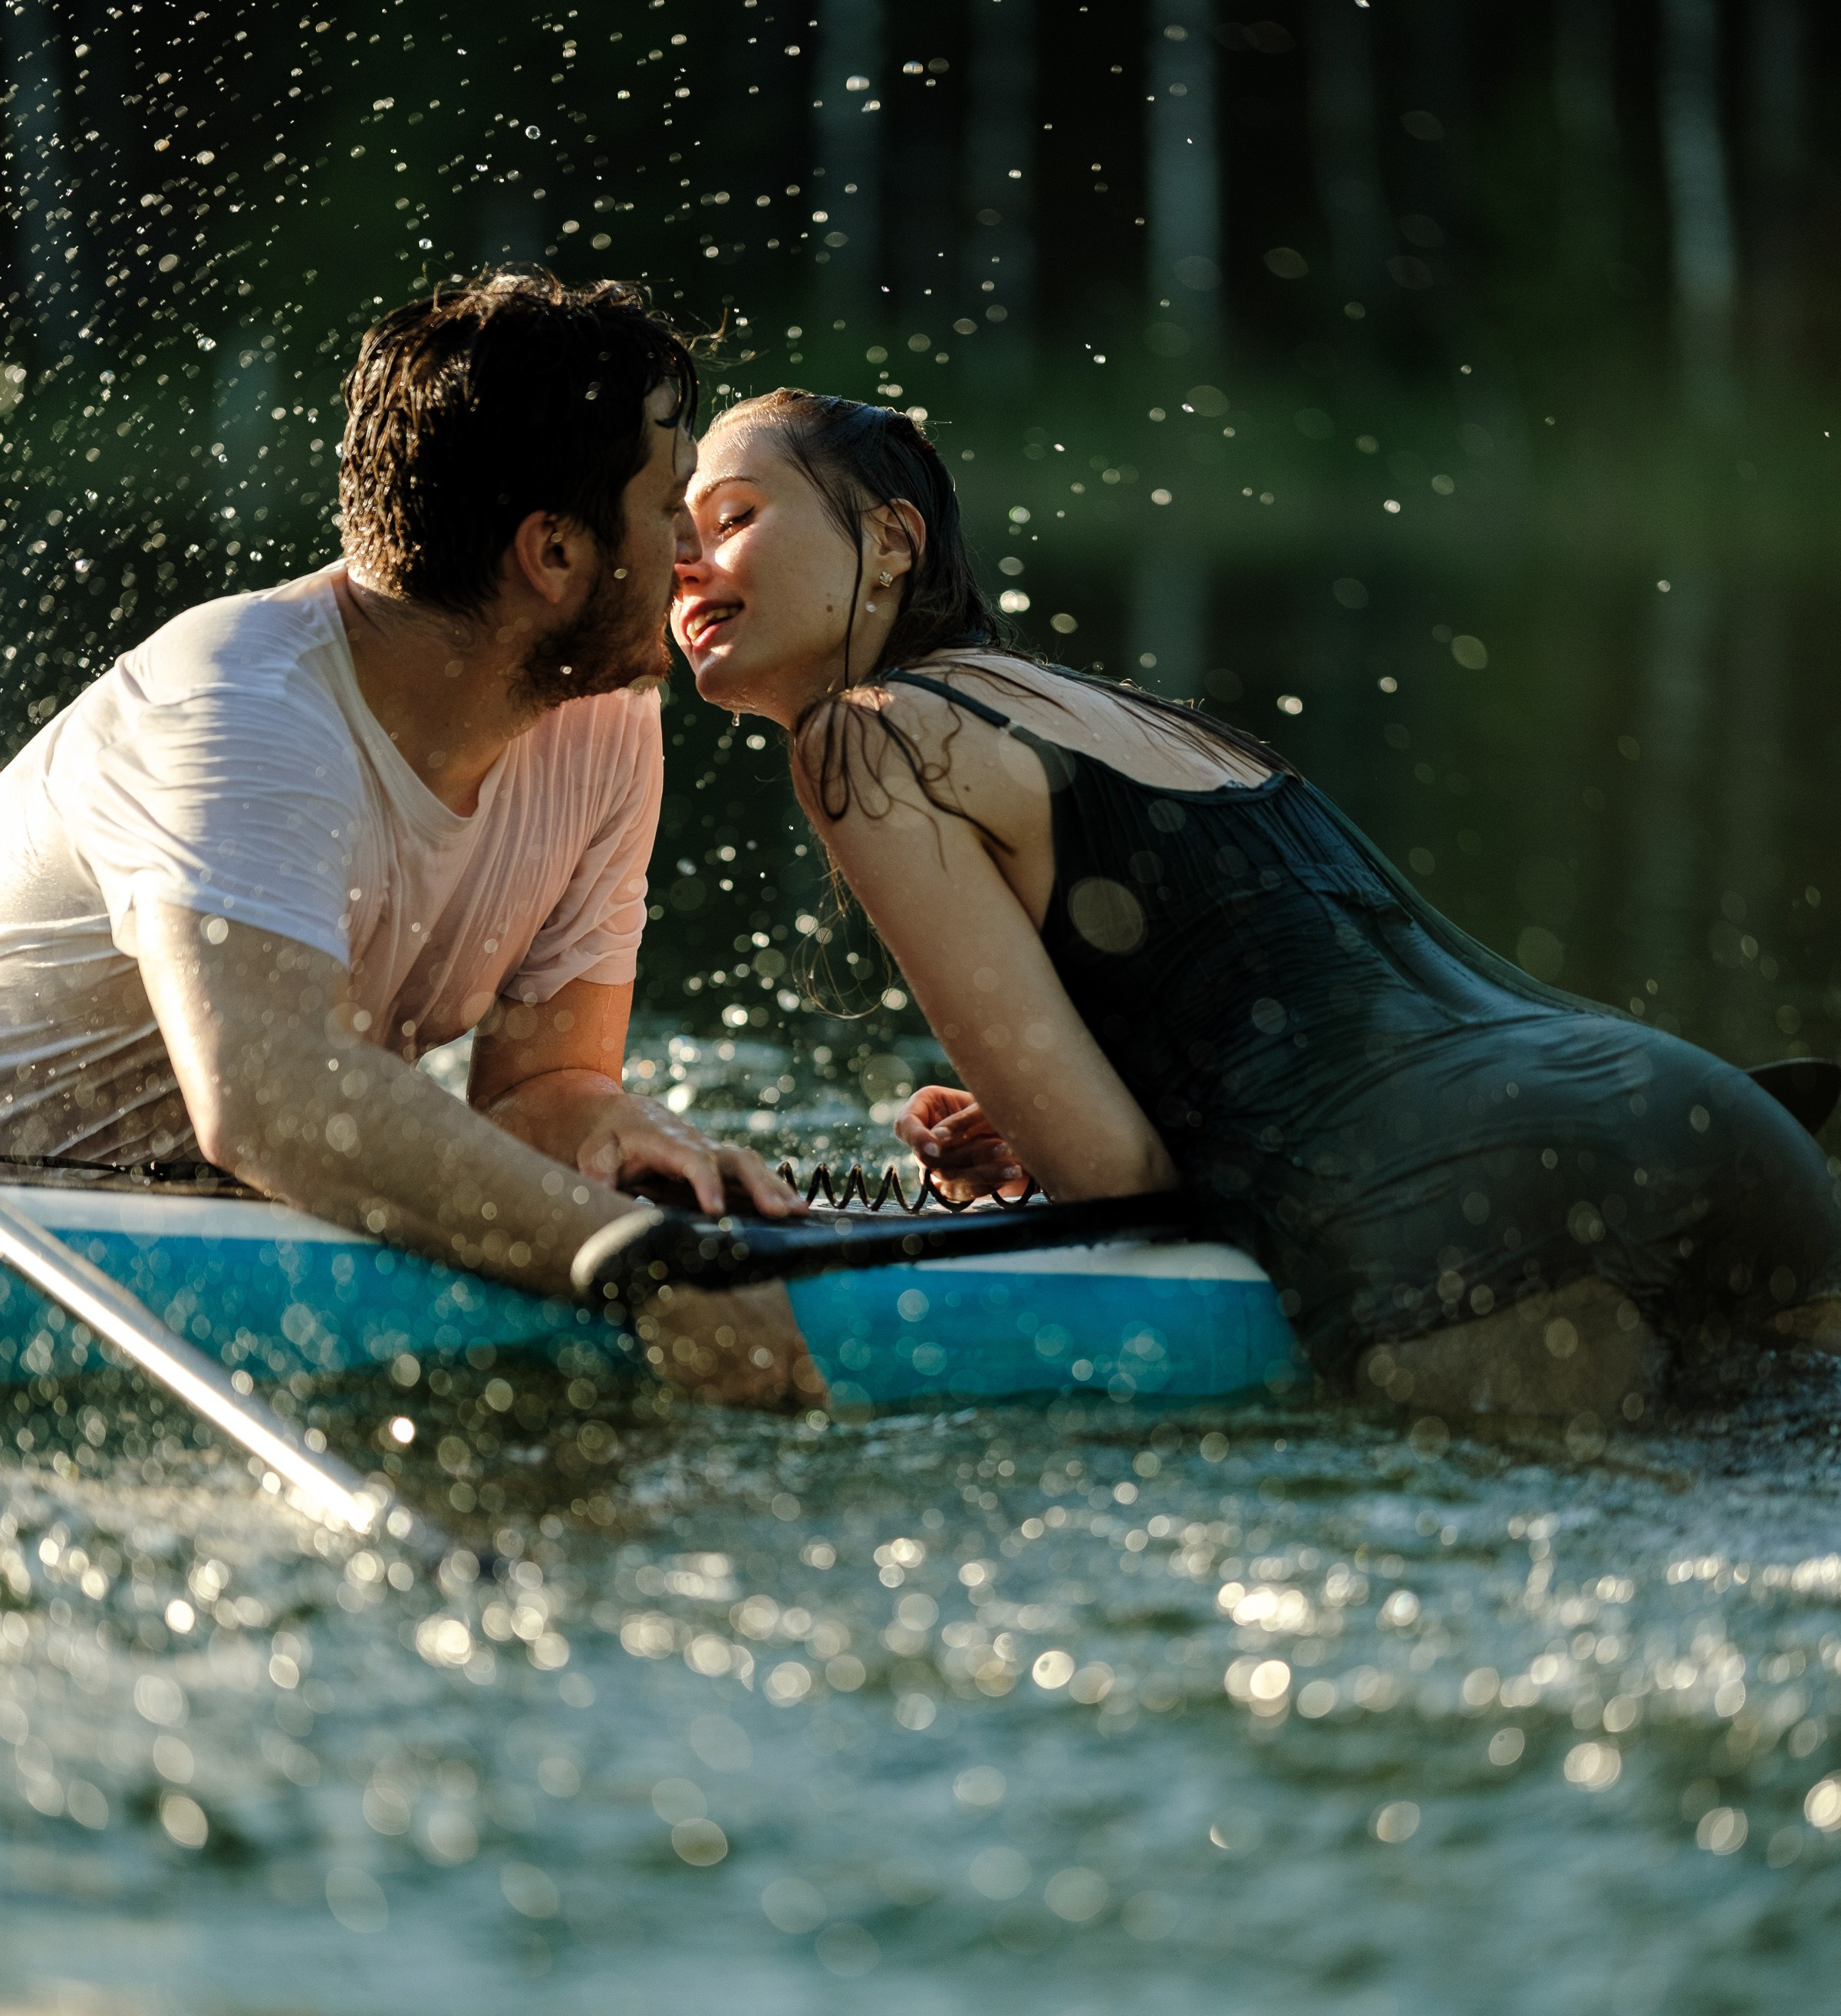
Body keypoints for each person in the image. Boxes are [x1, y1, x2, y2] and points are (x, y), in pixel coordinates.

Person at [671, 386, 1841, 1423]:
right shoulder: (1134, 715)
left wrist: (1054, 1145)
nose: (685, 558)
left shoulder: (860, 738)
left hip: (1481, 1207)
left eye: (731, 519)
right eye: (675, 530)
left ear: (890, 540)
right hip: (1715, 1122)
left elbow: (1117, 1183)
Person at [0, 273, 815, 1408]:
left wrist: (632, 1147)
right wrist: (638, 1266)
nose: (690, 553)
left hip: (204, 1200)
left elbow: (542, 1084)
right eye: (666, 507)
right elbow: (273, 1102)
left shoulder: (604, 723)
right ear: (555, 557)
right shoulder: (237, 710)